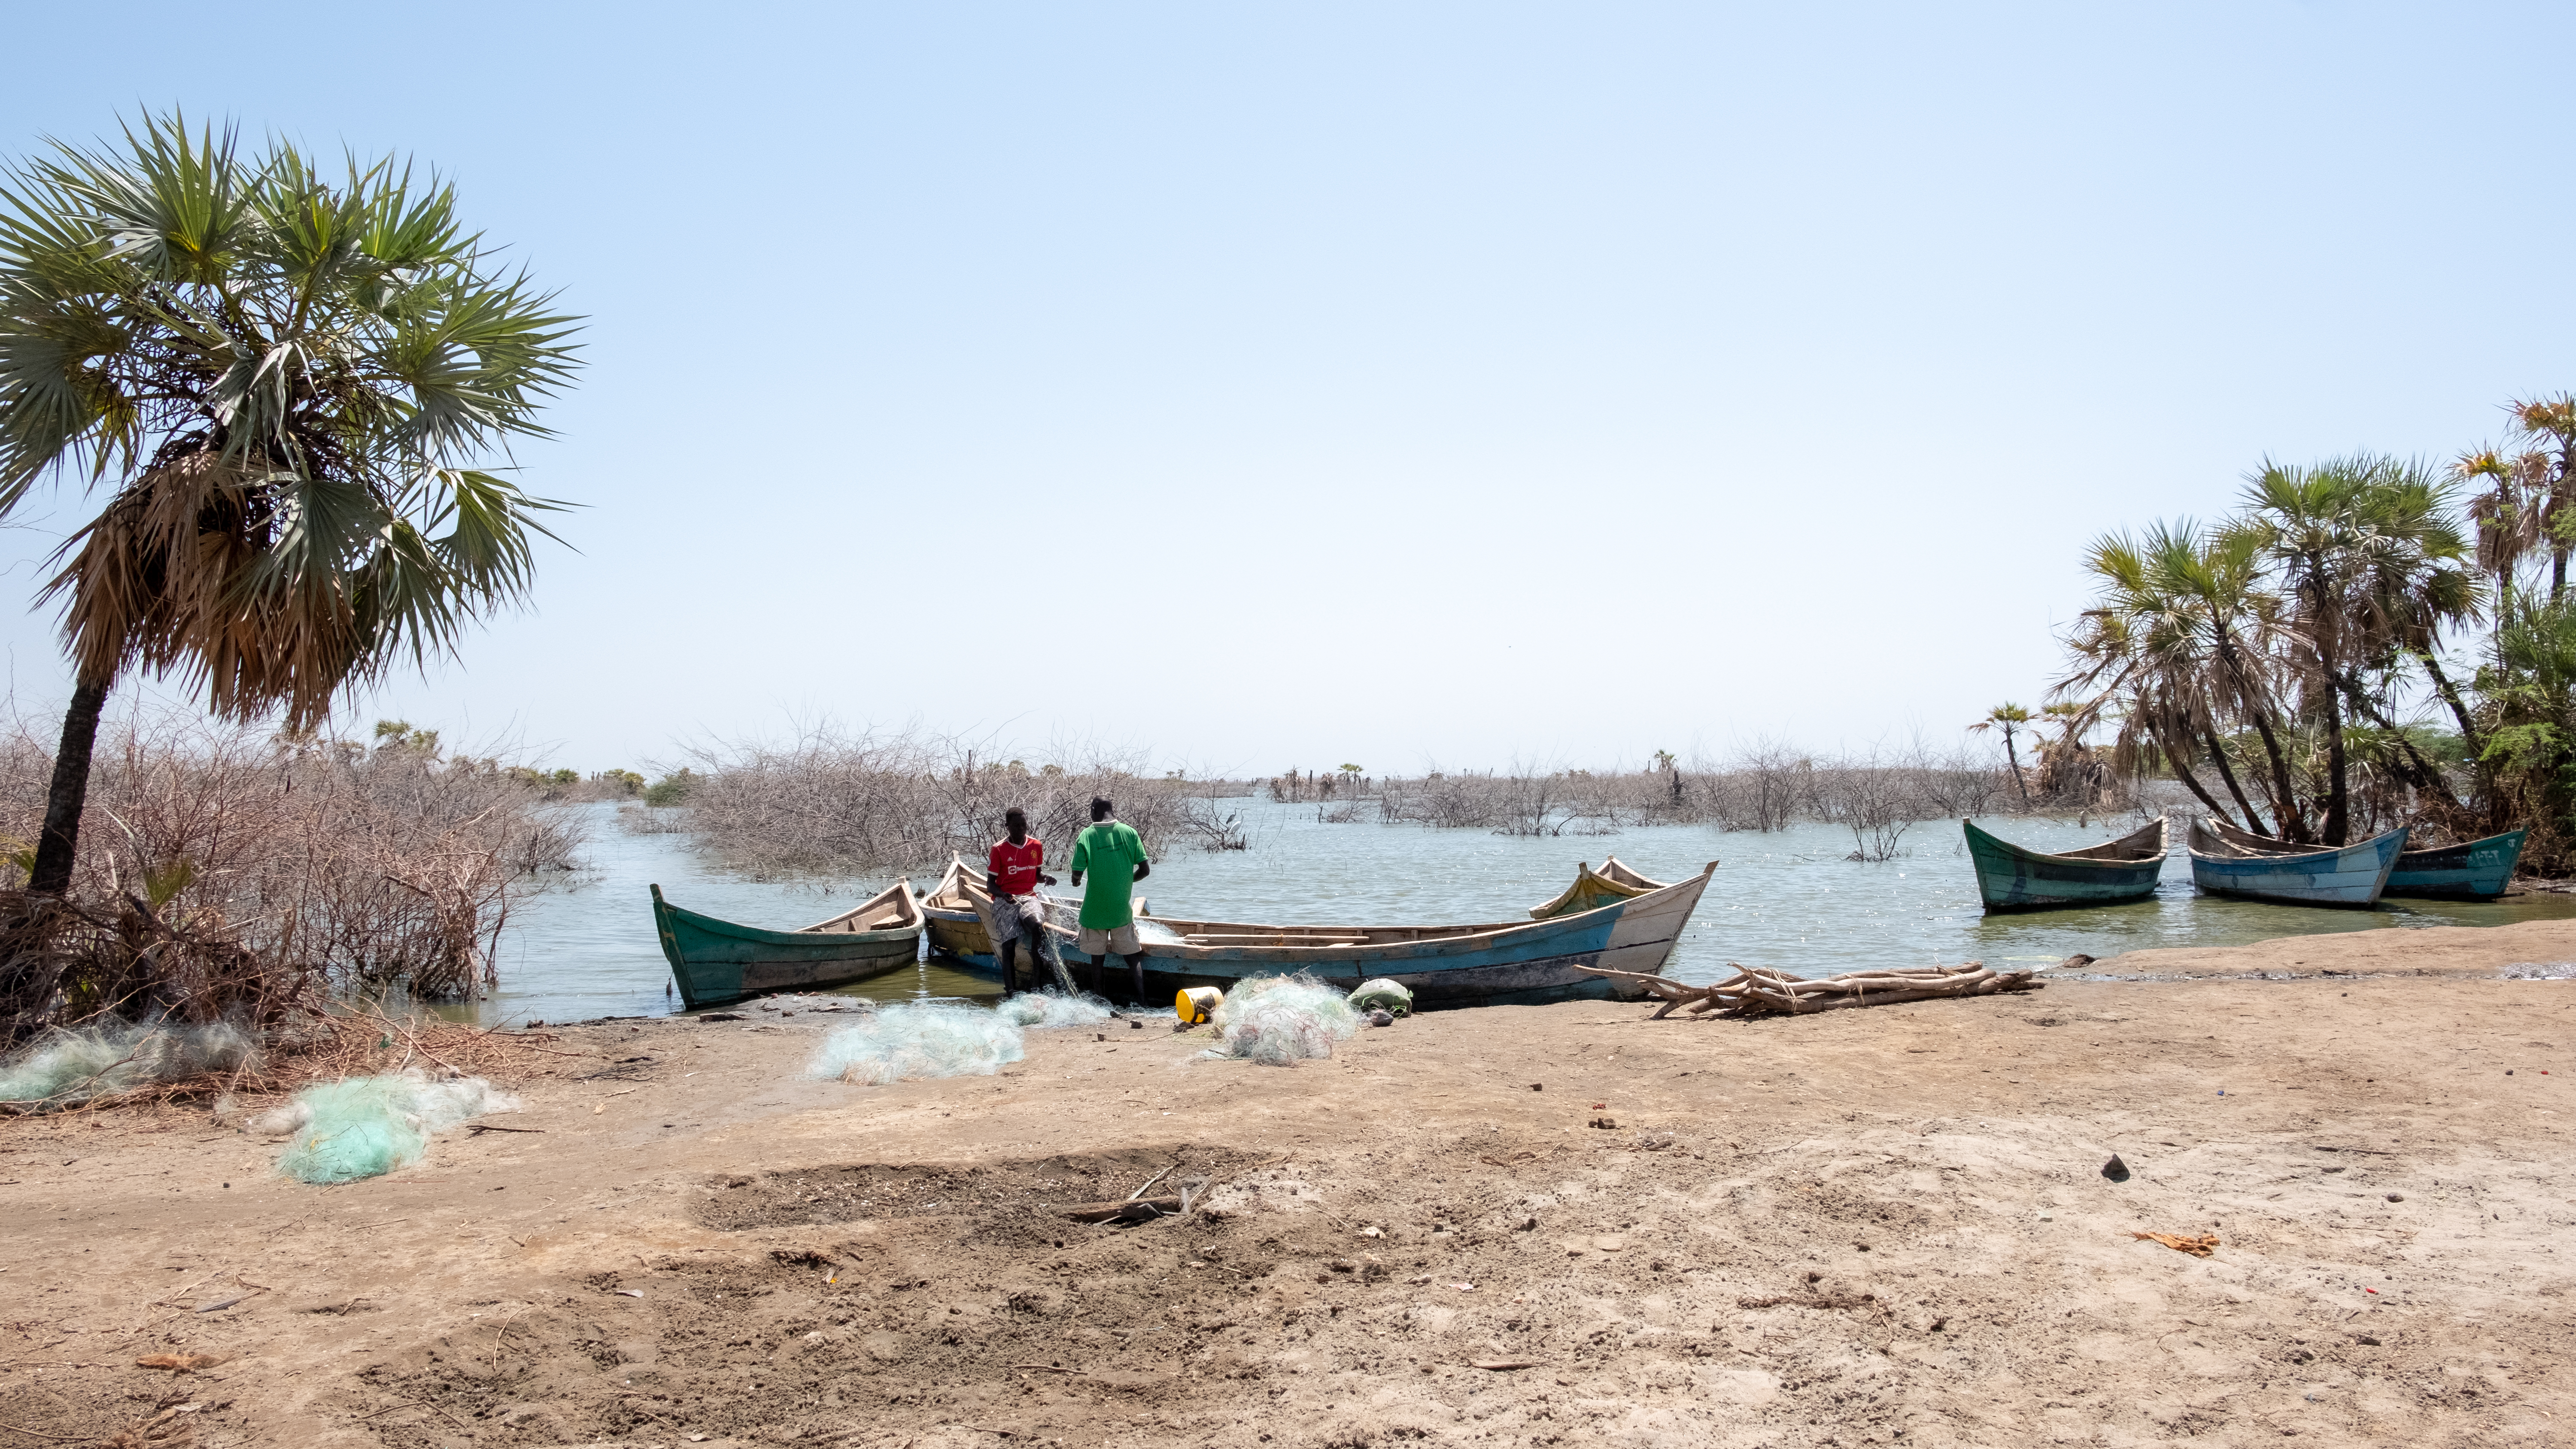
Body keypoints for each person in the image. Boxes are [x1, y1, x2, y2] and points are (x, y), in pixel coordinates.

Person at [1068, 796, 1151, 1001]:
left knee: (1097, 960)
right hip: (1120, 910)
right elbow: (1145, 870)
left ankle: (1100, 1001)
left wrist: (1076, 882)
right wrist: (1127, 880)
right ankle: (1143, 1000)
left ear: (1094, 809)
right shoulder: (1129, 833)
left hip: (1094, 911)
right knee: (1132, 958)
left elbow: (1077, 873)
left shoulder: (1087, 835)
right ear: (1111, 810)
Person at [984, 806, 1059, 993]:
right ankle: (1011, 990)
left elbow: (1037, 875)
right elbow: (991, 886)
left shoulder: (1036, 845)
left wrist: (1046, 878)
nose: (1021, 829)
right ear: (1007, 827)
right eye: (1016, 826)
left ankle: (1037, 983)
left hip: (1028, 896)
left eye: (1024, 825)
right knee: (1009, 944)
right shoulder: (999, 849)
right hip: (1005, 899)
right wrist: (1003, 895)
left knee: (1037, 926)